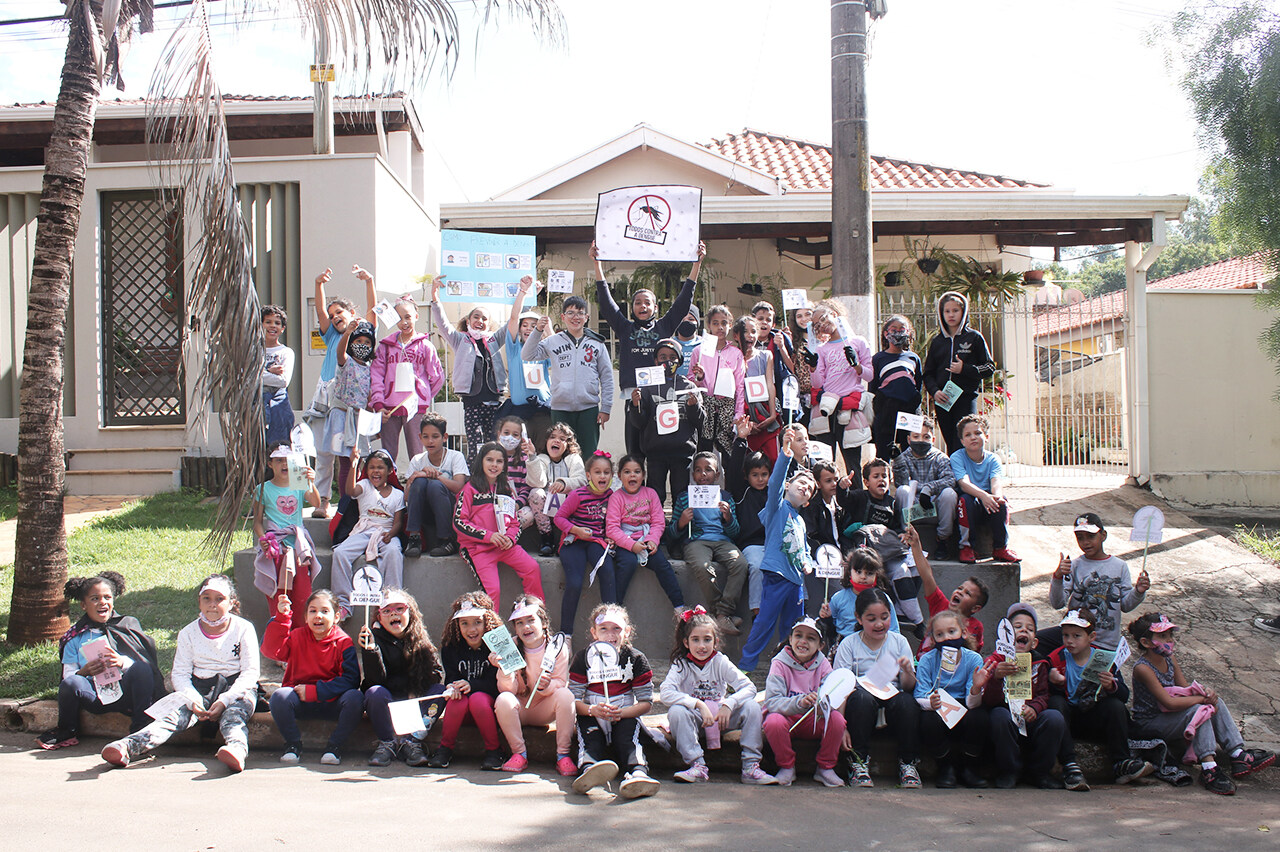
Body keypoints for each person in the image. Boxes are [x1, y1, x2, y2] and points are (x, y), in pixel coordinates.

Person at [101, 575, 260, 772]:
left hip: (237, 689)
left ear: (231, 603)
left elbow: (250, 672)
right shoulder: (188, 633)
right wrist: (193, 700)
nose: (212, 604)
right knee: (173, 717)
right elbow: (180, 674)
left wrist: (225, 700)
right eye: (206, 599)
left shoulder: (243, 628)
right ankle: (127, 746)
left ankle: (236, 750)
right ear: (199, 602)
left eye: (220, 599)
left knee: (233, 718)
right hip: (199, 689)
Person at [1128, 612, 1275, 794]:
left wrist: (1206, 694)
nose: (1169, 640)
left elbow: (1184, 688)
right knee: (1200, 710)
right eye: (1162, 636)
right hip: (1150, 723)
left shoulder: (1169, 659)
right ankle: (1209, 767)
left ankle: (1237, 754)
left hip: (1170, 717)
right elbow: (1170, 703)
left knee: (1215, 702)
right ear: (1146, 643)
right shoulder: (1142, 668)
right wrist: (1201, 700)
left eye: (1170, 635)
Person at [591, 240, 703, 459]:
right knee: (634, 451)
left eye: (647, 303)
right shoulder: (624, 328)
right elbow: (605, 302)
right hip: (634, 396)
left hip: (660, 397)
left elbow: (683, 301)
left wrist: (696, 264)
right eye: (638, 303)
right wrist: (597, 265)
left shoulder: (664, 327)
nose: (642, 306)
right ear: (632, 308)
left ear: (655, 307)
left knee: (656, 452)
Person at [37, 572, 164, 750]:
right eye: (95, 599)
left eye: (107, 597)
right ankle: (68, 730)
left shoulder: (127, 625)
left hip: (125, 694)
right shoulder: (74, 637)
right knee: (72, 682)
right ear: (83, 605)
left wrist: (122, 662)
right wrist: (84, 672)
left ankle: (139, 728)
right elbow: (68, 675)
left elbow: (145, 663)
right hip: (95, 696)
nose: (102, 602)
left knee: (142, 668)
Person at [660, 607, 776, 785]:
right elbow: (666, 693)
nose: (701, 646)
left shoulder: (720, 661)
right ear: (686, 642)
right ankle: (697, 765)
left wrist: (728, 704)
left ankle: (751, 766)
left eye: (707, 640)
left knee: (752, 707)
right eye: (695, 640)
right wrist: (699, 705)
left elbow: (749, 688)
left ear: (715, 641)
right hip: (696, 719)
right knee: (676, 711)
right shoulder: (681, 665)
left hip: (721, 718)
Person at [738, 426, 819, 672]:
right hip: (775, 575)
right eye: (800, 483)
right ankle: (746, 666)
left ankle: (789, 669)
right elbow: (774, 484)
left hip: (795, 582)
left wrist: (808, 562)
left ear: (807, 501)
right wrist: (785, 453)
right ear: (788, 486)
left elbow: (805, 551)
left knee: (792, 628)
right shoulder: (777, 508)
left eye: (809, 489)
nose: (804, 487)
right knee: (764, 623)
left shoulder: (801, 521)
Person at [1047, 608, 1154, 785]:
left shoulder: (1103, 658)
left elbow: (1124, 695)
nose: (1070, 641)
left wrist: (1111, 686)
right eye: (1066, 635)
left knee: (1115, 706)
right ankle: (1069, 764)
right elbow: (1045, 694)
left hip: (1092, 716)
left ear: (1092, 637)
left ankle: (1121, 762)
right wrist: (1054, 683)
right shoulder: (1056, 658)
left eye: (1076, 636)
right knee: (1055, 703)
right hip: (1067, 720)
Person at [261, 589, 362, 765]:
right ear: (306, 617)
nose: (318, 616)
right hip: (299, 700)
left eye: (325, 611)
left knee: (355, 698)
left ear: (336, 616)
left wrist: (317, 691)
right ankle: (293, 744)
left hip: (332, 702)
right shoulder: (297, 636)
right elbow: (271, 650)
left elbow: (351, 680)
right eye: (313, 611)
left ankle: (334, 747)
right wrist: (282, 618)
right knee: (279, 696)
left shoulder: (344, 642)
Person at [832, 588, 920, 788]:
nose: (879, 624)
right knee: (861, 697)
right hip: (860, 709)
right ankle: (858, 762)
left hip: (893, 704)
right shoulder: (849, 645)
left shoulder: (899, 642)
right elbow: (839, 688)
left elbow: (908, 687)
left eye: (884, 617)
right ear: (859, 618)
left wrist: (907, 671)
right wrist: (841, 726)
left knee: (907, 701)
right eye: (871, 619)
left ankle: (908, 763)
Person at [569, 604, 660, 797]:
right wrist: (592, 710)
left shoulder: (635, 659)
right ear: (594, 632)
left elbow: (646, 702)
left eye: (616, 628)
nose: (610, 634)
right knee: (589, 740)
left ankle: (637, 774)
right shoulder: (583, 658)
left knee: (628, 741)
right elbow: (573, 700)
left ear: (627, 631)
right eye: (604, 629)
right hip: (592, 712)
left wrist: (623, 713)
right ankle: (588, 770)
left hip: (625, 713)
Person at [308, 265, 377, 518]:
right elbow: (319, 310)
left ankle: (355, 497)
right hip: (326, 397)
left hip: (353, 402)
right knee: (324, 452)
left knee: (353, 452)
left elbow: (372, 312)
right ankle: (323, 500)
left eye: (340, 312)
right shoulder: (331, 337)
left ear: (351, 313)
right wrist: (319, 285)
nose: (335, 317)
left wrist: (369, 281)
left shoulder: (361, 334)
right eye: (332, 314)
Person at [979, 602, 1071, 790]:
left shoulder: (1040, 663)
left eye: (1029, 629)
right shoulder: (994, 662)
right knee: (999, 716)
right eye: (1017, 627)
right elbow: (988, 700)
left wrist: (1035, 708)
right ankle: (1009, 771)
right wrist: (996, 677)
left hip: (1030, 716)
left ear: (1034, 641)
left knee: (1054, 718)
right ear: (1006, 637)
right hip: (1006, 716)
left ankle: (1039, 773)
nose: (1024, 631)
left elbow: (1044, 695)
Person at [357, 588, 446, 768]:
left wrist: (415, 689)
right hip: (388, 703)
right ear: (379, 617)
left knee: (441, 691)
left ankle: (411, 742)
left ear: (410, 613)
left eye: (399, 609)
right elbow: (375, 681)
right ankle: (387, 743)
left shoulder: (421, 639)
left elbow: (436, 676)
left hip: (414, 705)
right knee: (374, 693)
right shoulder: (373, 640)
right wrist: (371, 651)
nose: (393, 614)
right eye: (387, 611)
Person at [453, 442, 546, 607]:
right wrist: (489, 536)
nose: (494, 465)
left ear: (504, 465)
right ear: (481, 461)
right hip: (478, 549)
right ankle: (492, 631)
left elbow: (514, 521)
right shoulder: (470, 489)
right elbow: (459, 522)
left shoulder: (505, 489)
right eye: (489, 460)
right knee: (492, 591)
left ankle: (536, 615)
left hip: (505, 545)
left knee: (532, 568)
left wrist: (510, 538)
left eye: (499, 461)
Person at [494, 595, 577, 776]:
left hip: (544, 708)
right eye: (519, 623)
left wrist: (546, 686)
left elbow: (561, 682)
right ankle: (519, 753)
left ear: (544, 622)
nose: (526, 627)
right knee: (503, 699)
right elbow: (507, 690)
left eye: (531, 620)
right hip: (520, 708)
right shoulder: (510, 647)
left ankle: (563, 755)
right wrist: (504, 671)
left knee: (566, 696)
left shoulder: (557, 646)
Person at [521, 296, 613, 458]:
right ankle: (562, 484)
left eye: (580, 313)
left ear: (587, 317)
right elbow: (527, 354)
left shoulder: (597, 344)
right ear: (563, 317)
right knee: (561, 455)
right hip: (560, 409)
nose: (575, 317)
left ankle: (585, 484)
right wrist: (537, 331)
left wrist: (606, 408)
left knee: (587, 454)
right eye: (570, 313)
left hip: (588, 409)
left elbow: (606, 377)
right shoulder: (552, 341)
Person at [431, 275, 511, 459]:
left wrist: (527, 300)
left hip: (494, 401)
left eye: (484, 318)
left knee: (495, 444)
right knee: (475, 444)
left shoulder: (493, 339)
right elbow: (442, 324)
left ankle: (495, 480)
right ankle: (475, 481)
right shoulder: (460, 339)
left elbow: (511, 324)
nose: (480, 321)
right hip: (472, 401)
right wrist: (435, 296)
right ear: (468, 320)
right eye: (476, 317)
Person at [1043, 512, 1147, 654]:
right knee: (1035, 640)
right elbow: (1057, 603)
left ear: (1103, 535)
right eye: (1080, 538)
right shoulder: (1074, 565)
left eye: (1091, 536)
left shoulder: (1120, 566)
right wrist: (1058, 577)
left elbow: (1126, 605)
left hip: (1106, 643)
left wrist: (1138, 591)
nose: (1085, 542)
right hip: (1075, 639)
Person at [669, 451, 747, 636]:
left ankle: (721, 613)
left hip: (722, 540)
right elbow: (671, 533)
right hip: (696, 541)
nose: (703, 474)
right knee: (703, 567)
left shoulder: (726, 497)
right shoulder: (684, 497)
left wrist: (728, 518)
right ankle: (723, 615)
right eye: (698, 470)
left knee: (741, 564)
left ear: (717, 475)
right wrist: (681, 522)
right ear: (693, 475)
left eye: (708, 470)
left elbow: (735, 532)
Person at [761, 616, 844, 787]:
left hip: (813, 720)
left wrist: (822, 705)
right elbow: (772, 702)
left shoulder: (824, 665)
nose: (803, 642)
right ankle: (786, 767)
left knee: (837, 720)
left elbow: (831, 698)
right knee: (773, 721)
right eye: (798, 636)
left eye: (811, 638)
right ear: (790, 639)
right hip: (788, 719)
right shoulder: (779, 663)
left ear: (821, 645)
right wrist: (800, 702)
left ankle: (825, 768)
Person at [914, 610, 990, 788]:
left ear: (963, 633)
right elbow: (919, 695)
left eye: (951, 632)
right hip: (938, 708)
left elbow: (973, 703)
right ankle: (945, 766)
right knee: (927, 721)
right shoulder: (927, 660)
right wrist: (930, 703)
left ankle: (968, 767)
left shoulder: (973, 659)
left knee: (980, 717)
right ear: (932, 639)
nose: (947, 638)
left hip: (964, 706)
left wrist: (976, 687)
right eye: (940, 634)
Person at [428, 593, 505, 770]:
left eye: (477, 622)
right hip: (461, 712)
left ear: (488, 621)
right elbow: (452, 677)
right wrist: (452, 687)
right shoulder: (450, 646)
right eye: (465, 623)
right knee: (456, 699)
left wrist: (473, 685)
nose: (472, 629)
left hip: (487, 709)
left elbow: (497, 687)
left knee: (477, 699)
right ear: (457, 625)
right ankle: (445, 749)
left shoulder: (497, 646)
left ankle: (494, 750)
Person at [370, 294, 445, 464]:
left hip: (415, 408)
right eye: (399, 318)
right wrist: (379, 404)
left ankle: (417, 485)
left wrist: (423, 395)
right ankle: (390, 486)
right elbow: (376, 376)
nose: (404, 322)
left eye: (408, 317)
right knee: (387, 453)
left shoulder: (425, 346)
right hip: (389, 408)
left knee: (416, 453)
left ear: (416, 317)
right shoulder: (385, 347)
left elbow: (436, 377)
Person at [331, 448, 405, 620]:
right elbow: (350, 491)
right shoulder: (364, 486)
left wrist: (391, 533)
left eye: (380, 468)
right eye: (371, 467)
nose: (375, 471)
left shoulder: (398, 495)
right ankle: (343, 604)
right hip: (363, 531)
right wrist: (353, 466)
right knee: (340, 553)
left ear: (389, 471)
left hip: (386, 533)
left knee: (393, 552)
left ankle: (392, 600)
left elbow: (399, 521)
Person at [629, 338, 704, 507]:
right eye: (662, 357)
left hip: (682, 452)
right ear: (655, 361)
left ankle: (681, 528)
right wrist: (635, 404)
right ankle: (656, 529)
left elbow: (700, 421)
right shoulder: (646, 388)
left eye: (672, 357)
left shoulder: (689, 386)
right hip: (656, 451)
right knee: (655, 494)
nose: (667, 361)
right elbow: (638, 422)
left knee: (681, 494)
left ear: (680, 361)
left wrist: (693, 407)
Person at [607, 455, 685, 615]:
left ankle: (680, 608)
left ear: (643, 475)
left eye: (637, 471)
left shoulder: (650, 494)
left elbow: (658, 522)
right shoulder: (616, 497)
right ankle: (615, 610)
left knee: (662, 564)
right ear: (620, 476)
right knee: (626, 564)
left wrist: (653, 540)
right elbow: (612, 529)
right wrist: (631, 545)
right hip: (625, 540)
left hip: (646, 537)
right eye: (627, 472)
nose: (632, 475)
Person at [252, 444, 322, 619]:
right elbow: (257, 522)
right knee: (278, 596)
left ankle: (300, 636)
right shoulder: (263, 489)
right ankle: (280, 635)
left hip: (298, 549)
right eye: (278, 460)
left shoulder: (299, 483)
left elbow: (316, 503)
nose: (284, 464)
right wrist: (263, 539)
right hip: (276, 548)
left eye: (287, 460)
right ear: (270, 464)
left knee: (302, 595)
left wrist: (311, 483)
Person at [923, 291, 995, 455]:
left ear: (963, 312)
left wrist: (965, 369)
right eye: (947, 311)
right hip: (943, 400)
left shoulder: (974, 337)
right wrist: (935, 392)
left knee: (963, 441)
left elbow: (989, 367)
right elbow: (928, 373)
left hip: (966, 397)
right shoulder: (937, 341)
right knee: (950, 441)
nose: (951, 315)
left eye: (955, 310)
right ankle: (953, 478)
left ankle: (964, 478)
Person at [554, 451, 618, 633]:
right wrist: (576, 530)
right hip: (574, 541)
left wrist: (610, 536)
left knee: (608, 573)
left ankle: (611, 629)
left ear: (612, 476)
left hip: (596, 542)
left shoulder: (611, 496)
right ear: (588, 475)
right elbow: (559, 518)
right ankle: (565, 634)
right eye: (597, 472)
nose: (602, 476)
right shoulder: (577, 494)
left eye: (607, 472)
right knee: (574, 582)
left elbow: (612, 521)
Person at [808, 300, 874, 474]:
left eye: (823, 318)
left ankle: (855, 499)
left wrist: (856, 365)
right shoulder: (821, 349)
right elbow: (818, 384)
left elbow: (869, 375)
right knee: (824, 467)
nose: (822, 325)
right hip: (826, 410)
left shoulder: (858, 342)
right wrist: (813, 367)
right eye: (816, 325)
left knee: (853, 466)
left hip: (850, 409)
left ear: (834, 314)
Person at [904, 524, 989, 655]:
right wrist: (915, 544)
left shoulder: (975, 626)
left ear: (975, 608)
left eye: (967, 593)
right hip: (923, 667)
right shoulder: (940, 605)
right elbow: (927, 576)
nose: (960, 592)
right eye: (960, 588)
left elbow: (970, 656)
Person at [951, 413, 1019, 564]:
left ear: (986, 436)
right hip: (971, 504)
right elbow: (964, 483)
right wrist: (983, 496)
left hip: (988, 503)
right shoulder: (957, 457)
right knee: (964, 500)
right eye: (968, 435)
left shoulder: (993, 459)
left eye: (978, 433)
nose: (973, 437)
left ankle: (1000, 547)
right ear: (962, 441)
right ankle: (966, 547)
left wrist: (997, 496)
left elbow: (996, 482)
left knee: (1002, 501)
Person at [320, 318, 378, 492]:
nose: (362, 345)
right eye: (358, 341)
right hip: (342, 417)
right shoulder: (346, 362)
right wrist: (347, 333)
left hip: (359, 420)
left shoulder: (369, 368)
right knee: (346, 461)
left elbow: (368, 398)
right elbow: (340, 353)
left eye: (367, 342)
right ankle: (345, 502)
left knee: (359, 460)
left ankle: (354, 497)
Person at [402, 412, 469, 558]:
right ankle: (414, 538)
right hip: (424, 511)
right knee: (419, 482)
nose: (430, 441)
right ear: (420, 437)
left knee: (434, 486)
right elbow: (406, 497)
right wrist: (413, 477)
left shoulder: (455, 457)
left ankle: (446, 540)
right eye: (425, 437)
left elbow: (459, 487)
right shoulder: (417, 460)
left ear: (445, 437)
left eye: (435, 436)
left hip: (448, 510)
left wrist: (434, 476)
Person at [891, 417, 958, 559]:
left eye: (926, 437)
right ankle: (906, 537)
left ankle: (942, 540)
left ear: (933, 439)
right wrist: (897, 462)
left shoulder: (940, 457)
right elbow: (900, 483)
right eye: (916, 436)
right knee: (903, 490)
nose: (921, 440)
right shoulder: (903, 457)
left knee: (949, 494)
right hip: (912, 509)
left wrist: (929, 488)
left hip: (934, 507)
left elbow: (950, 480)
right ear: (909, 439)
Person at [688, 304, 745, 458]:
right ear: (709, 326)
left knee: (727, 453)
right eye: (715, 323)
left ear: (730, 325)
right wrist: (699, 378)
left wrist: (739, 413)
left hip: (727, 409)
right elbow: (690, 383)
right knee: (703, 453)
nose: (720, 327)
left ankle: (729, 482)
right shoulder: (699, 351)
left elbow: (740, 386)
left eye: (724, 323)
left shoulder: (736, 354)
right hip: (705, 409)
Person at [727, 423, 772, 615]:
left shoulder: (774, 492)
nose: (760, 479)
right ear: (747, 476)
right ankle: (756, 612)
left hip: (774, 543)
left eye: (764, 474)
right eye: (755, 475)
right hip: (751, 544)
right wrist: (741, 440)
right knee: (757, 568)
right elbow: (733, 470)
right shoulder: (741, 491)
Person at [503, 278, 553, 442]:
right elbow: (513, 318)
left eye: (534, 325)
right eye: (525, 325)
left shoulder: (544, 348)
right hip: (519, 411)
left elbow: (556, 348)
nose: (529, 329)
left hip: (542, 410)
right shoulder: (514, 347)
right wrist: (523, 291)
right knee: (520, 454)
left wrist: (548, 327)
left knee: (542, 451)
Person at [869, 313, 923, 460]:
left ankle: (910, 480)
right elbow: (873, 386)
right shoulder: (878, 358)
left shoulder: (913, 358)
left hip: (910, 407)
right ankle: (883, 477)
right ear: (886, 333)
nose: (898, 333)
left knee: (910, 447)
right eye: (893, 329)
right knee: (884, 446)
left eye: (901, 329)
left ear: (908, 333)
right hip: (886, 407)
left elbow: (918, 383)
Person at [527, 422, 586, 555]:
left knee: (577, 496)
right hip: (545, 509)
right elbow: (537, 482)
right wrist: (532, 458)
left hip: (567, 508)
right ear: (547, 441)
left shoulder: (573, 459)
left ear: (568, 445)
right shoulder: (541, 459)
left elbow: (582, 481)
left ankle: (566, 537)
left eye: (562, 439)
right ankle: (546, 537)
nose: (556, 441)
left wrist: (564, 483)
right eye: (553, 437)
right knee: (535, 492)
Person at [820, 546, 901, 642]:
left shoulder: (883, 599)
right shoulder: (838, 598)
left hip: (876, 647)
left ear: (876, 575)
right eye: (858, 572)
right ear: (849, 572)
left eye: (869, 573)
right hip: (845, 648)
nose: (863, 577)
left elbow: (894, 631)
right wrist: (826, 617)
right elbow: (828, 630)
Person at [738, 315, 781, 462]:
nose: (750, 336)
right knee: (747, 464)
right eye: (745, 331)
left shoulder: (765, 355)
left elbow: (770, 384)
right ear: (737, 335)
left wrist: (772, 415)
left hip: (764, 413)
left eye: (753, 331)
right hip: (743, 418)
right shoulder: (732, 356)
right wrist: (743, 421)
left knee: (773, 459)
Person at [494, 414, 537, 536]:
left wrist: (517, 505)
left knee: (528, 515)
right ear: (499, 434)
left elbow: (526, 487)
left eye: (515, 435)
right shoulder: (492, 457)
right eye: (506, 433)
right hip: (494, 505)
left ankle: (509, 537)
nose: (510, 438)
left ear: (521, 438)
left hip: (516, 506)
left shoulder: (524, 459)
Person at [261, 303, 295, 446]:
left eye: (277, 323)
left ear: (282, 329)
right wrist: (269, 372)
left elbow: (283, 381)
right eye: (268, 322)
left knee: (279, 448)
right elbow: (246, 378)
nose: (272, 326)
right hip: (256, 403)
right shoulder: (253, 351)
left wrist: (260, 373)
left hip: (278, 404)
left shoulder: (286, 352)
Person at [673, 305, 702, 378]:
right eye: (681, 320)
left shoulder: (705, 345)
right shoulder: (670, 345)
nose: (686, 322)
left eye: (691, 319)